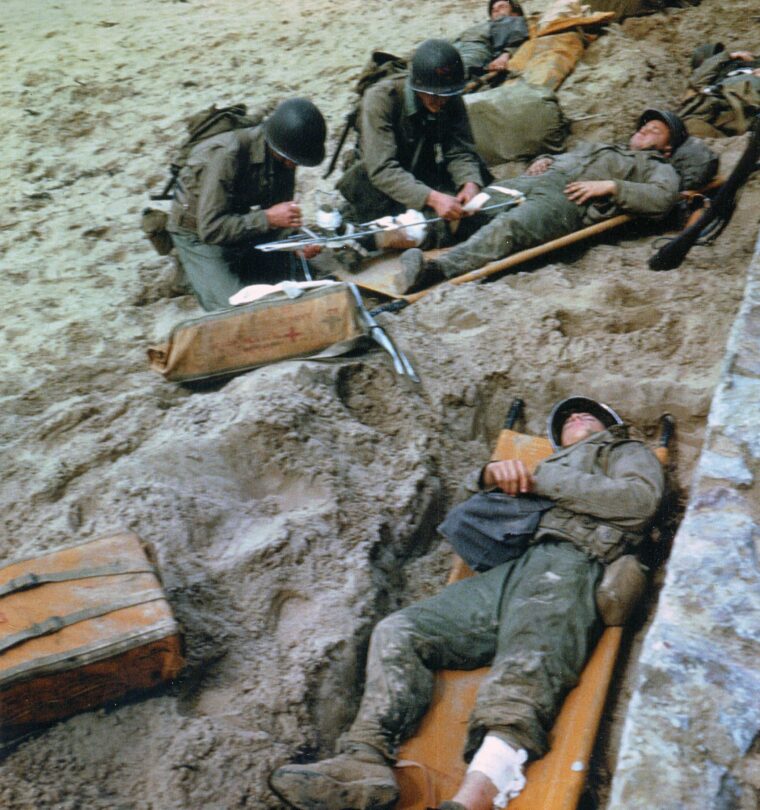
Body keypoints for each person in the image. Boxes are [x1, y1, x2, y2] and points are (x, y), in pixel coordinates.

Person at [270, 395, 665, 810]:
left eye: (588, 413)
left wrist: (539, 480)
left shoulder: (625, 452)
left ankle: (475, 798)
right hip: (515, 570)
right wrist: (490, 474)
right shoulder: (548, 466)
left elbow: (638, 504)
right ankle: (364, 757)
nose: (575, 415)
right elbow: (480, 517)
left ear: (610, 425)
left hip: (574, 563)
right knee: (400, 630)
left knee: (525, 670)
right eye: (566, 417)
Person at [393, 108, 717, 294]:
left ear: (668, 148)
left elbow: (663, 199)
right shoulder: (607, 147)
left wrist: (611, 186)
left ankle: (434, 270)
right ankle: (400, 237)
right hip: (538, 180)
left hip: (569, 201)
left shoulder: (658, 168)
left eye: (655, 130)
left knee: (510, 228)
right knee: (471, 206)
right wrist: (545, 159)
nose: (645, 129)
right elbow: (568, 155)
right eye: (644, 126)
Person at [167, 97, 327, 311]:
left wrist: (294, 242)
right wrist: (268, 218)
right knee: (237, 307)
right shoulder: (227, 155)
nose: (294, 166)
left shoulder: (283, 155)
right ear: (280, 149)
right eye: (294, 160)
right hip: (198, 232)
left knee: (297, 275)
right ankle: (189, 272)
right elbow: (211, 229)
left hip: (237, 220)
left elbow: (279, 213)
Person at [335, 38, 490, 239]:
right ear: (417, 87)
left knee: (475, 199)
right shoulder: (380, 99)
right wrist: (432, 198)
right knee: (407, 229)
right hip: (377, 181)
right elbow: (382, 169)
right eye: (433, 95)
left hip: (418, 170)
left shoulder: (448, 93)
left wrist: (469, 183)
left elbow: (459, 150)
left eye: (447, 95)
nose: (441, 101)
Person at [679, 44, 760, 137]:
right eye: (714, 58)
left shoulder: (741, 64)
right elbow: (697, 81)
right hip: (743, 101)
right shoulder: (706, 87)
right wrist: (728, 55)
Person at [453, 0, 528, 79]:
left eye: (501, 6)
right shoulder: (487, 24)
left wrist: (504, 56)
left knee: (459, 72)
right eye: (493, 9)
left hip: (477, 46)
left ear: (515, 13)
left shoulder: (516, 20)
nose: (495, 9)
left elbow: (518, 40)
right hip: (456, 43)